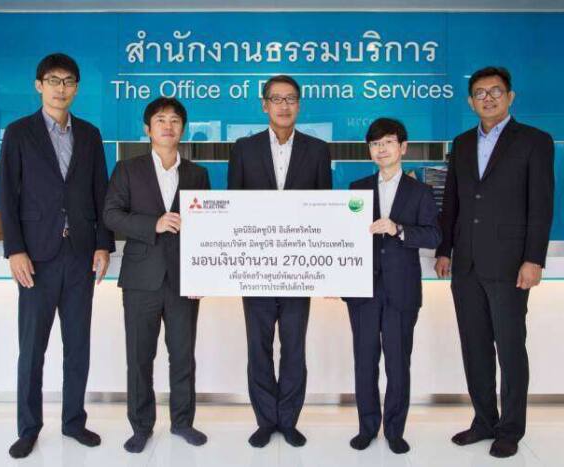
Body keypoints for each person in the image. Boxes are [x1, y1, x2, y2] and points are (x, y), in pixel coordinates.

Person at [0, 53, 115, 459]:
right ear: (39, 85)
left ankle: (73, 421)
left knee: (77, 345)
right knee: (32, 349)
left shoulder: (90, 134)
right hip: (36, 257)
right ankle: (28, 427)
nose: (60, 88)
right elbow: (7, 196)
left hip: (80, 255)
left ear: (76, 88)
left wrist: (103, 244)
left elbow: (101, 193)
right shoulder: (18, 133)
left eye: (68, 81)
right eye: (53, 80)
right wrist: (15, 249)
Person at [434, 66, 554, 458]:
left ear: (510, 96)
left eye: (495, 91)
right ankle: (484, 421)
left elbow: (541, 205)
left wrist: (533, 258)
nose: (488, 98)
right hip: (466, 264)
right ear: (470, 101)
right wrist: (444, 249)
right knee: (475, 347)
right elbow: (452, 201)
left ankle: (511, 429)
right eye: (480, 93)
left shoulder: (535, 141)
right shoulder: (462, 143)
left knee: (510, 349)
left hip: (509, 263)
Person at [227, 75, 332, 448]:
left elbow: (325, 209)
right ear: (264, 105)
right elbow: (233, 207)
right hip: (255, 268)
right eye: (276, 99)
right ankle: (264, 420)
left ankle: (288, 420)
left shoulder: (317, 150)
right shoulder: (244, 149)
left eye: (290, 99)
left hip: (299, 268)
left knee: (293, 347)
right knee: (258, 347)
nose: (284, 106)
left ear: (299, 104)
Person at [103, 97, 210, 453]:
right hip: (140, 279)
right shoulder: (127, 170)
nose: (168, 126)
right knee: (139, 357)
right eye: (161, 120)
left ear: (183, 129)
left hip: (183, 279)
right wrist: (155, 224)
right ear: (147, 129)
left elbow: (206, 229)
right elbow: (111, 215)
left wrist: (201, 275)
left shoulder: (197, 174)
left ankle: (183, 422)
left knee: (183, 356)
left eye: (175, 120)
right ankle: (141, 426)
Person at [343, 118, 441, 454]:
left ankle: (395, 430)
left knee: (398, 364)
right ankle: (367, 428)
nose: (381, 149)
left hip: (401, 290)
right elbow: (343, 237)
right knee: (364, 362)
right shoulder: (357, 188)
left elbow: (434, 235)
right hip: (363, 291)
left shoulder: (420, 191)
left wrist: (399, 229)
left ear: (403, 147)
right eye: (375, 144)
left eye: (387, 142)